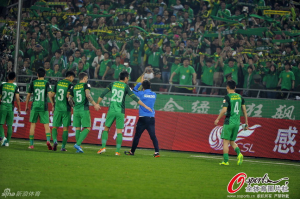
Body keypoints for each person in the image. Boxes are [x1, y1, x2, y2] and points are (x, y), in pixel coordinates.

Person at [96, 71, 152, 156]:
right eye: (128, 78)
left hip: (111, 110)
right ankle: (117, 151)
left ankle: (103, 147)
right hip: (120, 112)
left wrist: (97, 103)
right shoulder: (126, 87)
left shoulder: (112, 84)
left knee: (106, 128)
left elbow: (102, 94)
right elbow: (135, 98)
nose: (128, 79)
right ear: (125, 78)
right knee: (119, 131)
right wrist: (145, 106)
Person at [214, 80, 248, 166]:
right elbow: (244, 110)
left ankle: (226, 161)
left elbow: (224, 110)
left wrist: (217, 119)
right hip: (237, 122)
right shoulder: (240, 97)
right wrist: (246, 123)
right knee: (232, 141)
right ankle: (239, 154)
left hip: (229, 121)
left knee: (225, 141)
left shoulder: (227, 97)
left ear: (227, 87)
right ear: (235, 87)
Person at [124, 76, 160, 157]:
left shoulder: (142, 94)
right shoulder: (154, 94)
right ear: (150, 86)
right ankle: (157, 152)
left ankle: (132, 152)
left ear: (143, 87)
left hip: (143, 118)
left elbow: (134, 90)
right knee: (153, 136)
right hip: (151, 118)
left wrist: (140, 83)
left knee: (137, 136)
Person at [68, 72, 100, 153]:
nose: (87, 80)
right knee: (87, 128)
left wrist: (73, 106)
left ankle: (78, 148)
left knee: (78, 128)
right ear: (85, 78)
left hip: (76, 110)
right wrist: (95, 104)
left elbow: (69, 99)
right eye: (87, 78)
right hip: (84, 109)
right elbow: (87, 95)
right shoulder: (86, 85)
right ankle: (78, 144)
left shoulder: (74, 86)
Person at [25, 68, 55, 150]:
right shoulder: (46, 83)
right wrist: (53, 104)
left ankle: (31, 144)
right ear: (45, 75)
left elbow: (28, 95)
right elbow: (49, 94)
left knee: (33, 124)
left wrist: (26, 105)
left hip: (34, 105)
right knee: (46, 125)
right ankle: (48, 141)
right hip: (43, 106)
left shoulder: (33, 83)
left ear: (37, 75)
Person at [51, 71, 75, 151]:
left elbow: (52, 95)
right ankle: (63, 147)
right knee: (65, 129)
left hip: (57, 108)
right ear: (71, 77)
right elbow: (68, 96)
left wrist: (53, 104)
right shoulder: (70, 84)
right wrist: (73, 106)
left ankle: (55, 141)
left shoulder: (58, 83)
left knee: (55, 127)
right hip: (66, 109)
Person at [0, 72, 21, 147]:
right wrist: (19, 109)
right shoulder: (15, 87)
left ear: (7, 77)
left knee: (0, 124)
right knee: (9, 125)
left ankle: (3, 137)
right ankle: (7, 142)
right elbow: (18, 99)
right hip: (10, 107)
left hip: (2, 106)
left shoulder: (2, 85)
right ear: (14, 78)